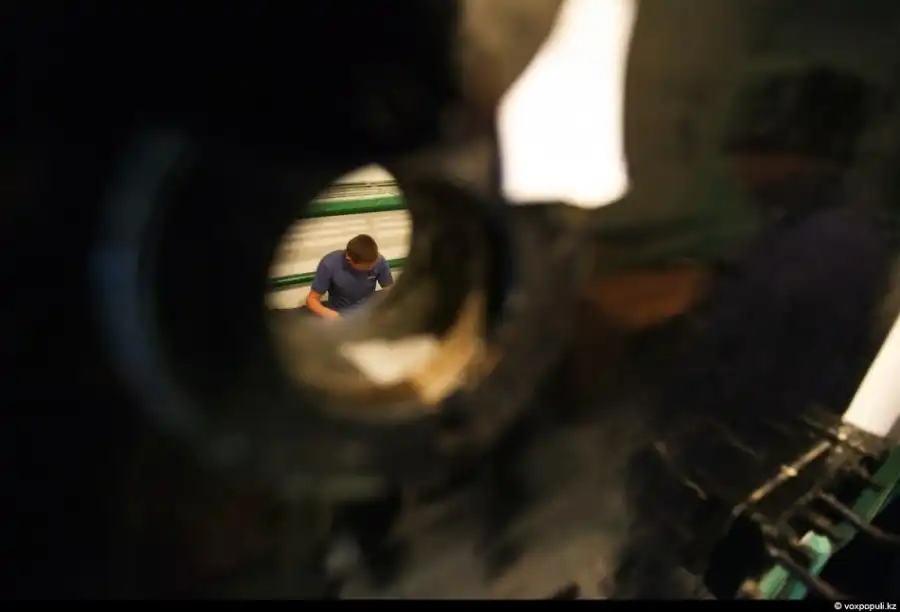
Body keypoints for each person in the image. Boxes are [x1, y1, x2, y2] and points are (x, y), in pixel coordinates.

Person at [305, 234, 394, 318]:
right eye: (367, 266)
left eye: (374, 263)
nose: (372, 267)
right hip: (341, 314)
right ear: (349, 260)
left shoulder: (379, 261)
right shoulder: (330, 264)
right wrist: (331, 316)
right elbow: (311, 300)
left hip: (370, 312)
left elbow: (390, 291)